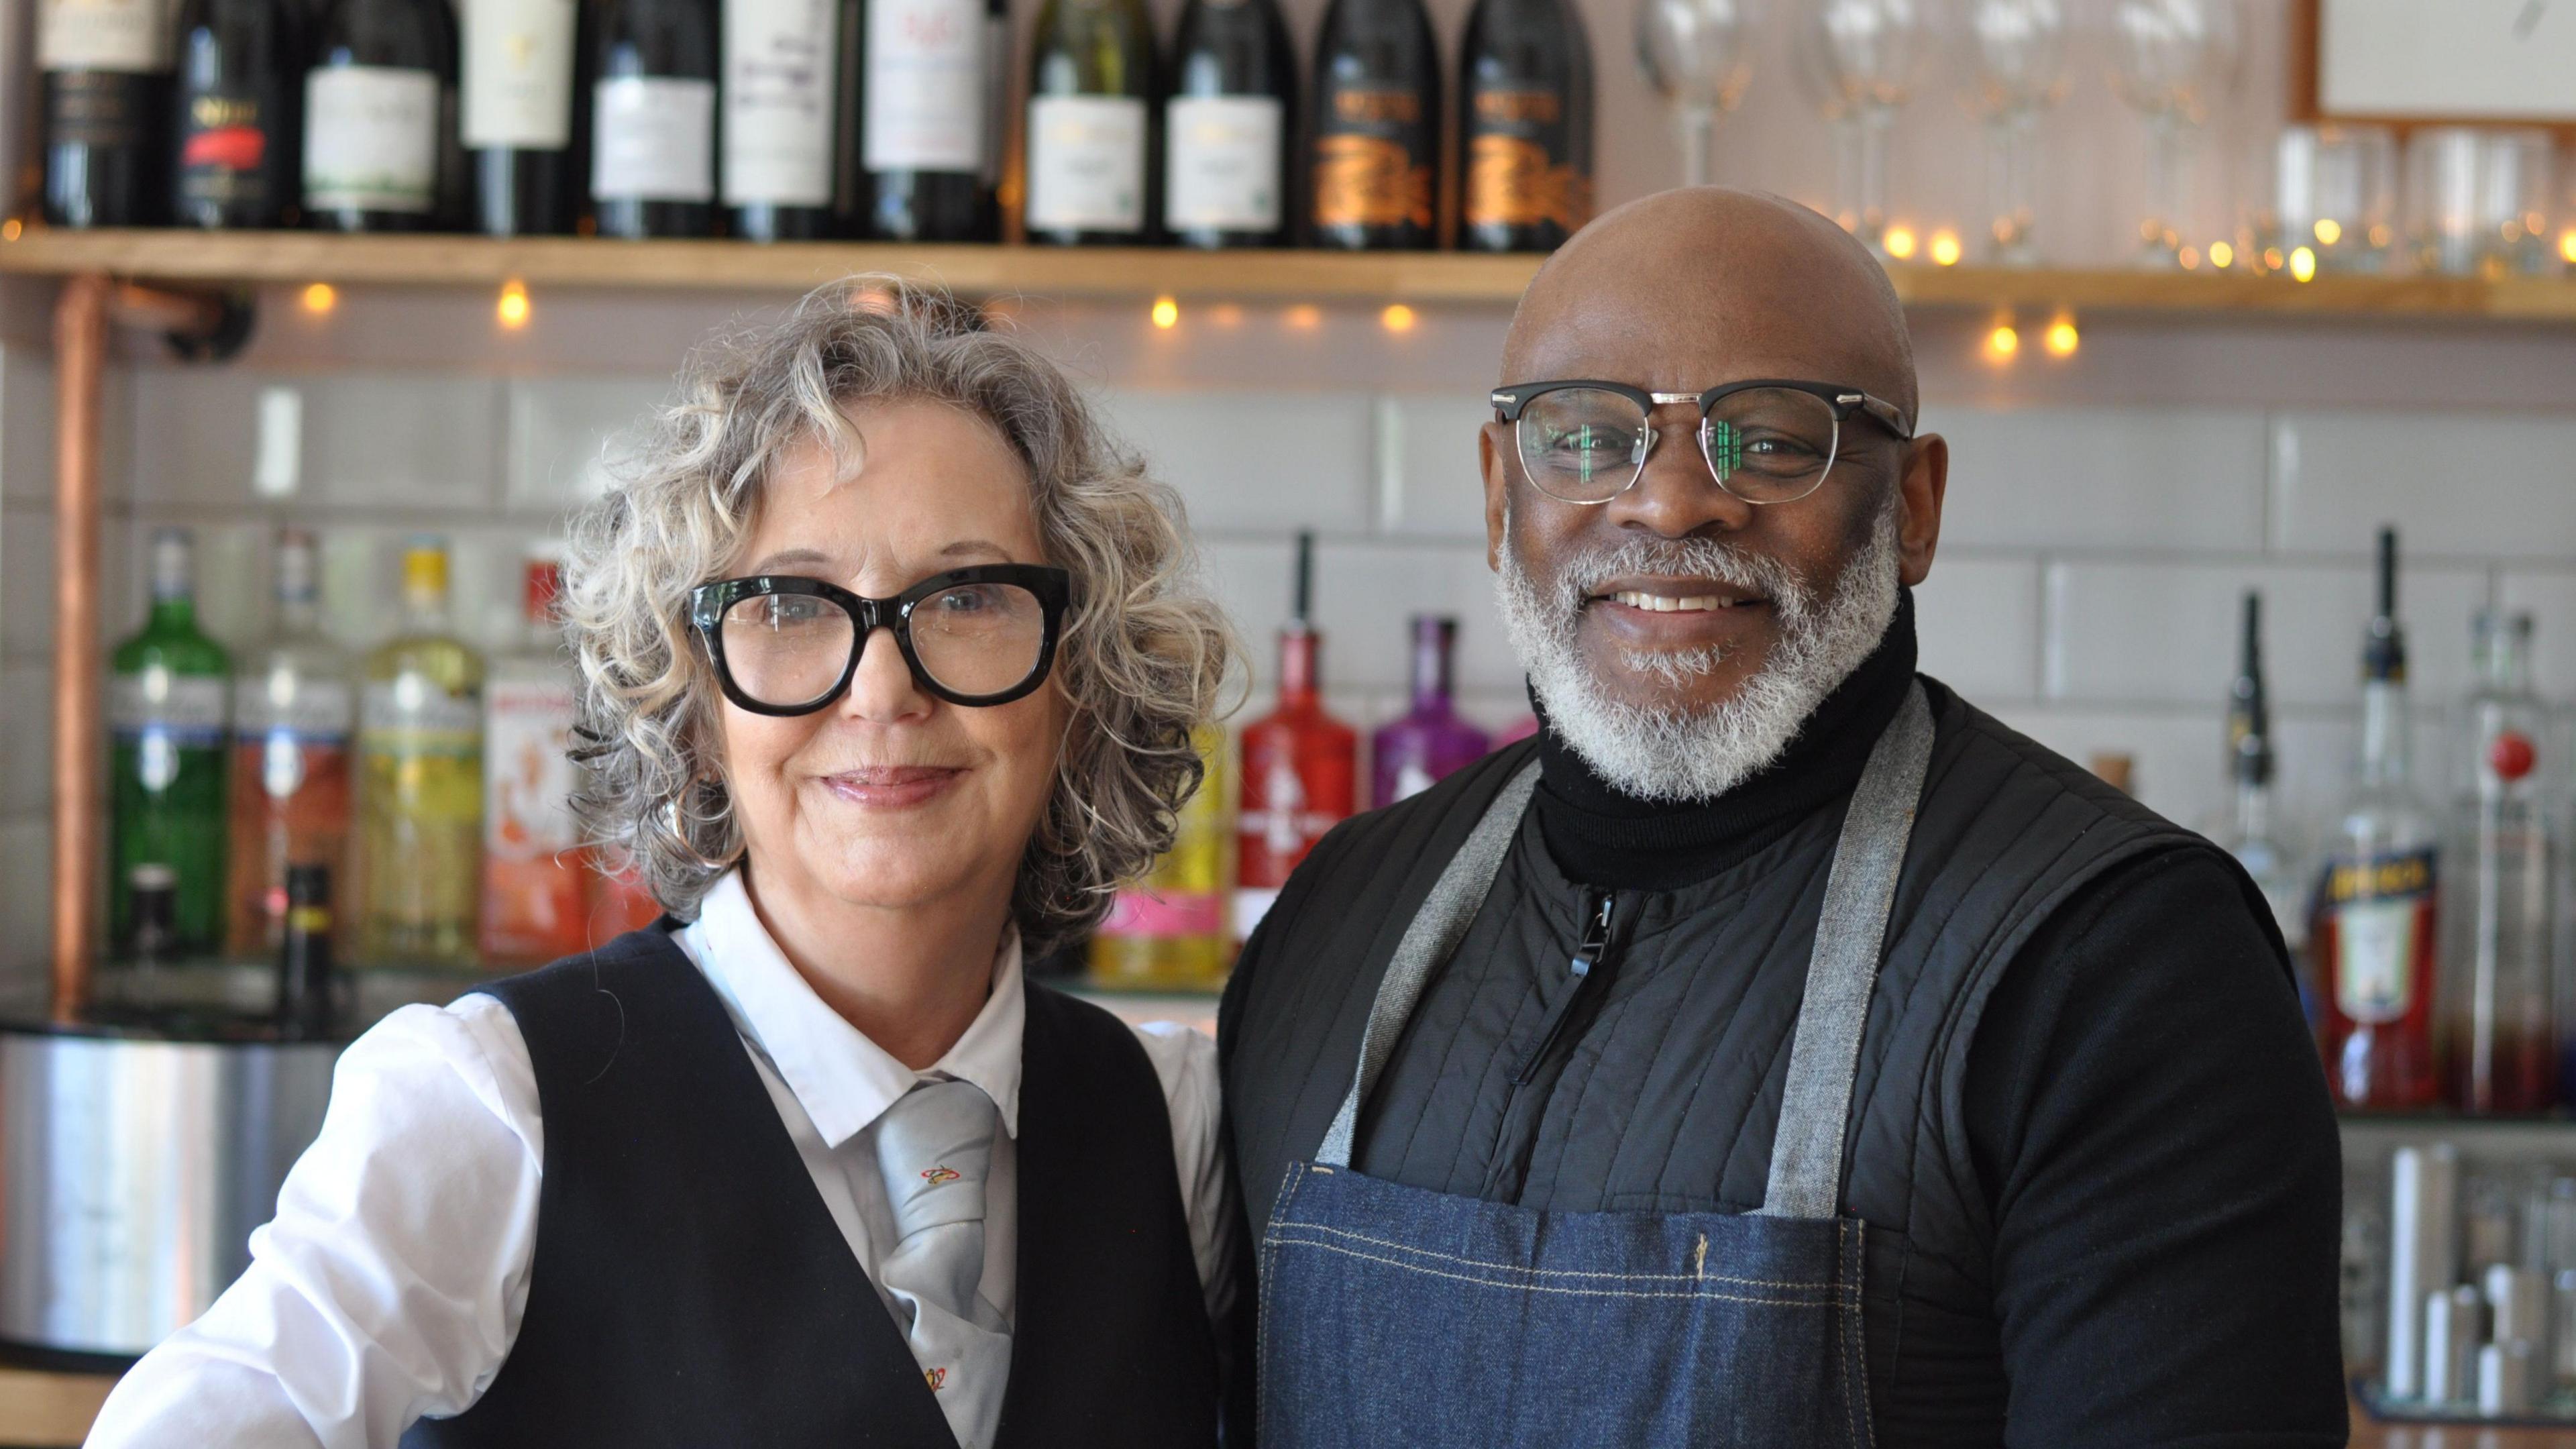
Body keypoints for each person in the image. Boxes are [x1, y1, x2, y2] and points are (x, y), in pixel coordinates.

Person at [1220, 189, 2347, 1446]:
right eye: (1586, 436)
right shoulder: (1337, 918)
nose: (1669, 504)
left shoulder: (2119, 961)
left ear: (1913, 507)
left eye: (1768, 439)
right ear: (1500, 495)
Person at [90, 280, 1240, 1449]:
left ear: (1083, 683)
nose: (884, 690)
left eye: (973, 595)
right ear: (688, 703)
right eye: (793, 606)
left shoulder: (1178, 1132)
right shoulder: (493, 1109)